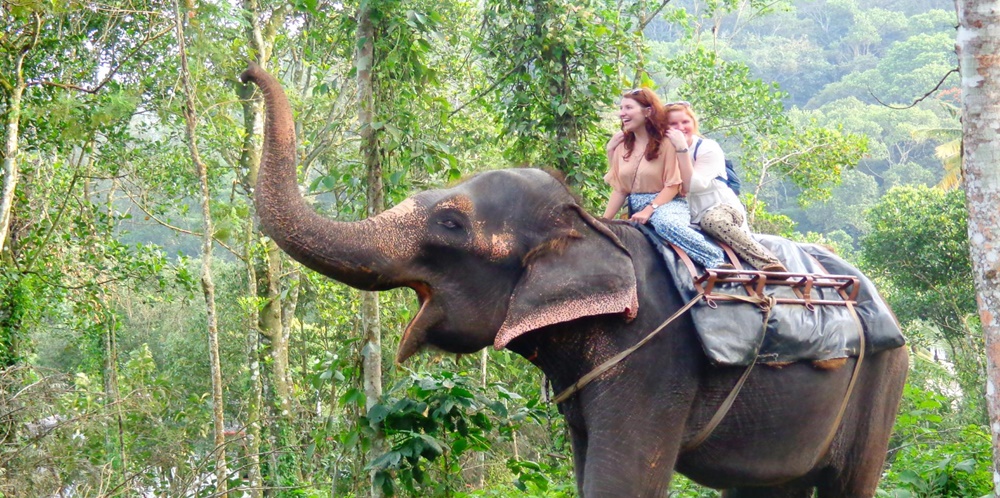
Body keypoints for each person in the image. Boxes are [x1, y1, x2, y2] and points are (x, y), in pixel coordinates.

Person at [602, 89, 725, 269]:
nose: (622, 113)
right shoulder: (623, 145)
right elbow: (620, 189)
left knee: (666, 225)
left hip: (667, 204)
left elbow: (674, 185)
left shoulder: (666, 143)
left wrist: (649, 210)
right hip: (636, 204)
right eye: (621, 108)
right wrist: (604, 220)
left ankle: (716, 261)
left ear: (648, 111)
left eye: (628, 107)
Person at [663, 102, 787, 272]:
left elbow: (694, 185)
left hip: (719, 207)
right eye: (673, 124)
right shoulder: (661, 151)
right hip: (683, 211)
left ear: (693, 123)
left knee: (713, 221)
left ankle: (767, 262)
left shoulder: (708, 147)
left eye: (685, 122)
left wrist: (682, 150)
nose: (680, 128)